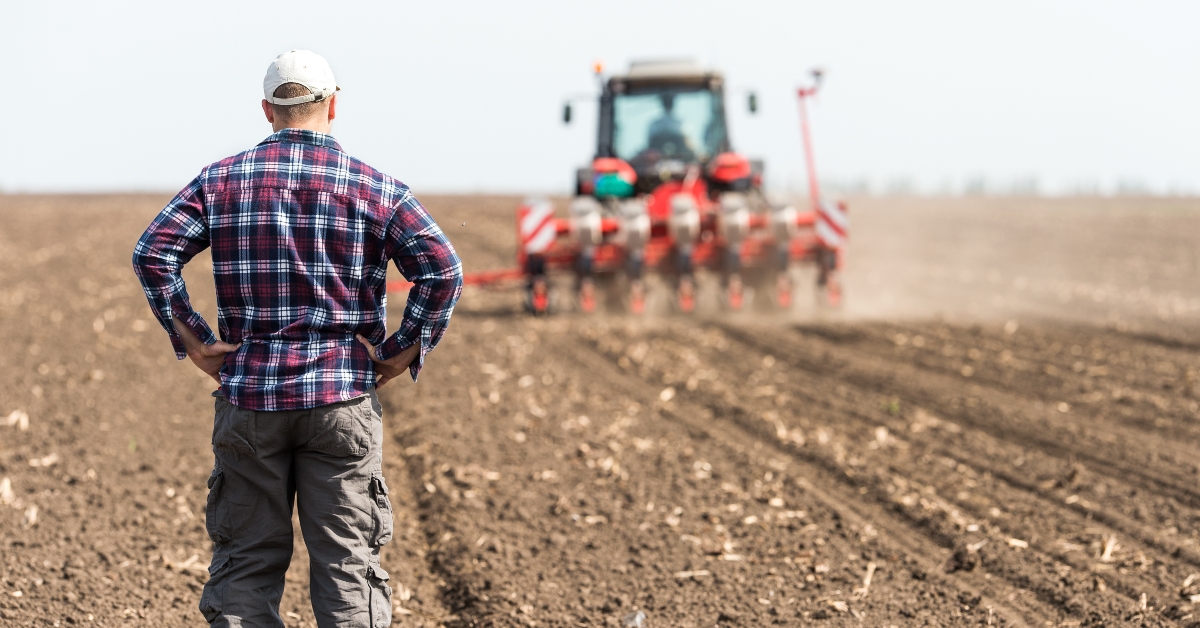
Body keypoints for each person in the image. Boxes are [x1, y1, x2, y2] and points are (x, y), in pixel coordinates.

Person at [132, 50, 463, 628]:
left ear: (267, 110)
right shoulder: (376, 187)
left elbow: (152, 253)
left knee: (245, 566)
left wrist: (195, 341)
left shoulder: (220, 181)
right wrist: (403, 350)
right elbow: (443, 270)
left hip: (250, 401)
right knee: (347, 568)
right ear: (334, 105)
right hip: (342, 401)